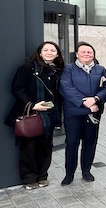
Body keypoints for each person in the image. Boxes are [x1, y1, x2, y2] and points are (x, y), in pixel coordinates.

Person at [5, 41, 64, 189]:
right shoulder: (27, 68)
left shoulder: (58, 71)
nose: (49, 52)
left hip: (49, 115)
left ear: (57, 54)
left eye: (53, 50)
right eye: (46, 50)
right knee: (28, 148)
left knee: (46, 147)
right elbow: (17, 88)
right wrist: (32, 105)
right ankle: (29, 179)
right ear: (39, 52)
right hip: (32, 114)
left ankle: (42, 176)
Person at [59, 42, 106, 186]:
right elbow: (66, 88)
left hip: (94, 113)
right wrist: (85, 103)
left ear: (93, 54)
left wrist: (96, 99)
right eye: (84, 52)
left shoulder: (100, 69)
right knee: (72, 143)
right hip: (73, 113)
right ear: (77, 54)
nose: (87, 54)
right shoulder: (68, 69)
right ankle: (69, 173)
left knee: (90, 143)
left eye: (89, 52)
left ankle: (86, 170)